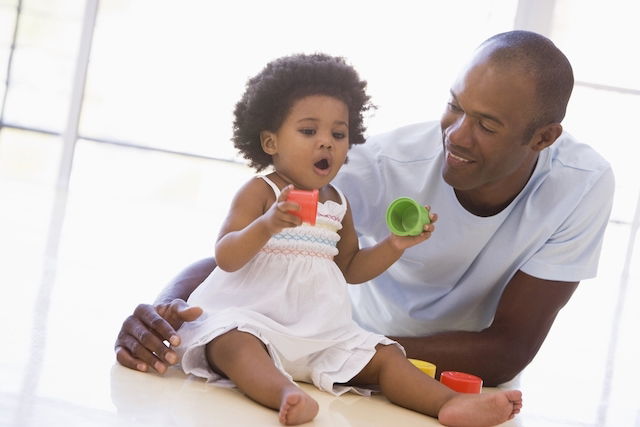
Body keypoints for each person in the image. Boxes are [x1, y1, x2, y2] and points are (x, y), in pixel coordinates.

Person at [115, 30, 614, 390]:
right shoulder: (382, 165)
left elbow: (506, 351)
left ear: (544, 138)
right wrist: (168, 310)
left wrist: (342, 351)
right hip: (338, 348)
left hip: (428, 370)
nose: (456, 136)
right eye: (455, 106)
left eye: (486, 124)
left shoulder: (580, 186)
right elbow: (259, 246)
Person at [162, 53, 523, 426]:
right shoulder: (263, 192)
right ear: (270, 142)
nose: (326, 144)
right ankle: (285, 393)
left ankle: (448, 403)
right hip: (255, 320)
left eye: (338, 134)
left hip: (319, 331)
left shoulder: (338, 202)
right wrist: (268, 224)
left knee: (384, 357)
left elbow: (350, 267)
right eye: (308, 131)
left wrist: (394, 245)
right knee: (233, 343)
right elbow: (227, 256)